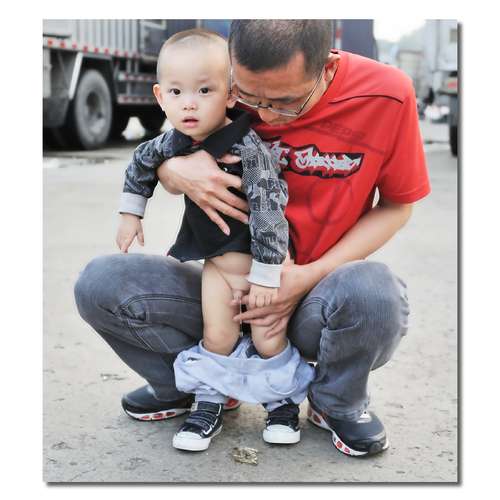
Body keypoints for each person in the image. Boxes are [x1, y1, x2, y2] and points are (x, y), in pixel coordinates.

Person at [75, 19, 430, 458]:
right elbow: (166, 148)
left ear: (325, 68)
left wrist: (306, 276)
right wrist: (173, 169)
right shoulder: (219, 81)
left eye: (284, 102)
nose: (264, 115)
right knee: (101, 283)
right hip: (224, 285)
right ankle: (195, 387)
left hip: (313, 296)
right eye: (247, 97)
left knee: (375, 294)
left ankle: (335, 400)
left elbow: (397, 206)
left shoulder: (385, 95)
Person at [115, 29, 314, 451]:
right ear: (160, 96)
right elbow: (141, 161)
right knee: (218, 337)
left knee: (267, 339)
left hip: (262, 268)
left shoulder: (248, 147)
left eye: (204, 90)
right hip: (217, 268)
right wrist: (131, 213)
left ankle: (282, 402)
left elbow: (269, 209)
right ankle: (209, 401)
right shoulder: (173, 142)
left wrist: (266, 274)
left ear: (230, 94)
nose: (189, 103)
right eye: (177, 92)